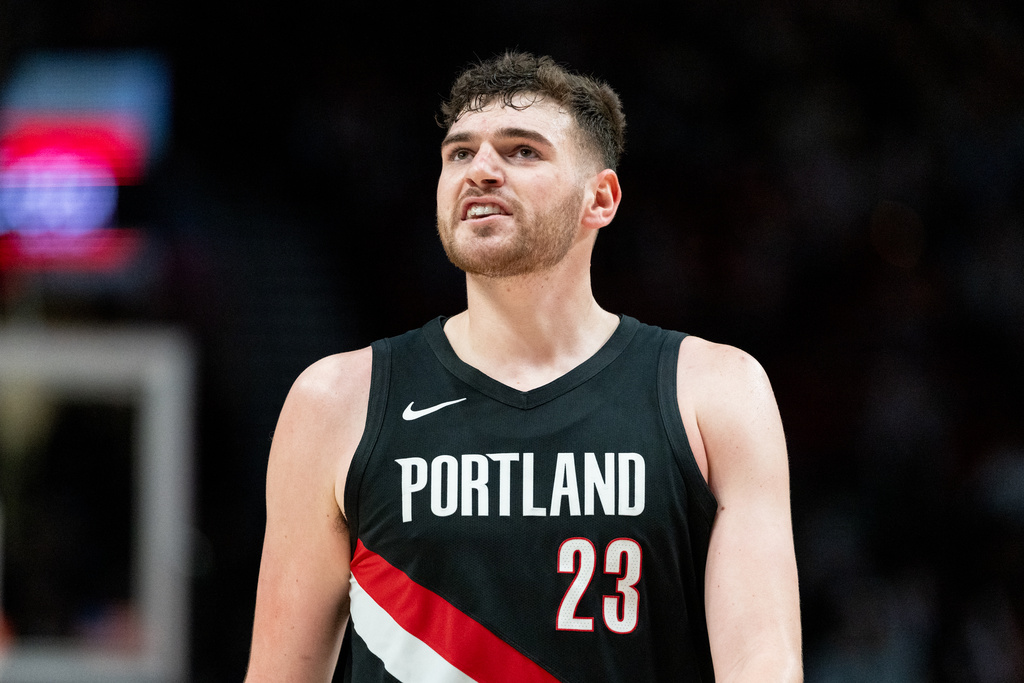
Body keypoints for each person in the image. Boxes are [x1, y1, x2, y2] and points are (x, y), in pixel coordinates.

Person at [245, 51, 802, 682]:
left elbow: (764, 666)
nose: (480, 170)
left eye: (522, 151)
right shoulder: (334, 401)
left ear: (601, 198)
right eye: (459, 153)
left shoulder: (714, 393)